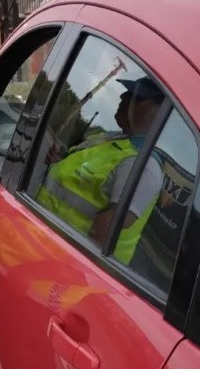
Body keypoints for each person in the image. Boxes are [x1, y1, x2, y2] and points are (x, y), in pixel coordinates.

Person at [37, 77, 164, 264]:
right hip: (44, 240)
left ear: (159, 112)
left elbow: (102, 236)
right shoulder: (113, 140)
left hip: (61, 262)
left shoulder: (141, 166)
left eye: (136, 96)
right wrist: (59, 165)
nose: (123, 96)